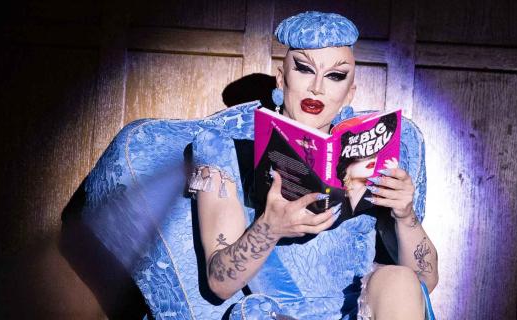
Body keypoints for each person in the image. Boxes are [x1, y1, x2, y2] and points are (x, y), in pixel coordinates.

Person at [187, 11, 438, 319]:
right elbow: (219, 282)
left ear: (350, 92)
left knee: (400, 280)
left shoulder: (376, 148)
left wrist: (404, 214)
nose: (317, 87)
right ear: (282, 79)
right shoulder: (225, 146)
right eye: (305, 69)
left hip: (356, 310)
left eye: (335, 76)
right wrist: (270, 228)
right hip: (275, 313)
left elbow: (424, 280)